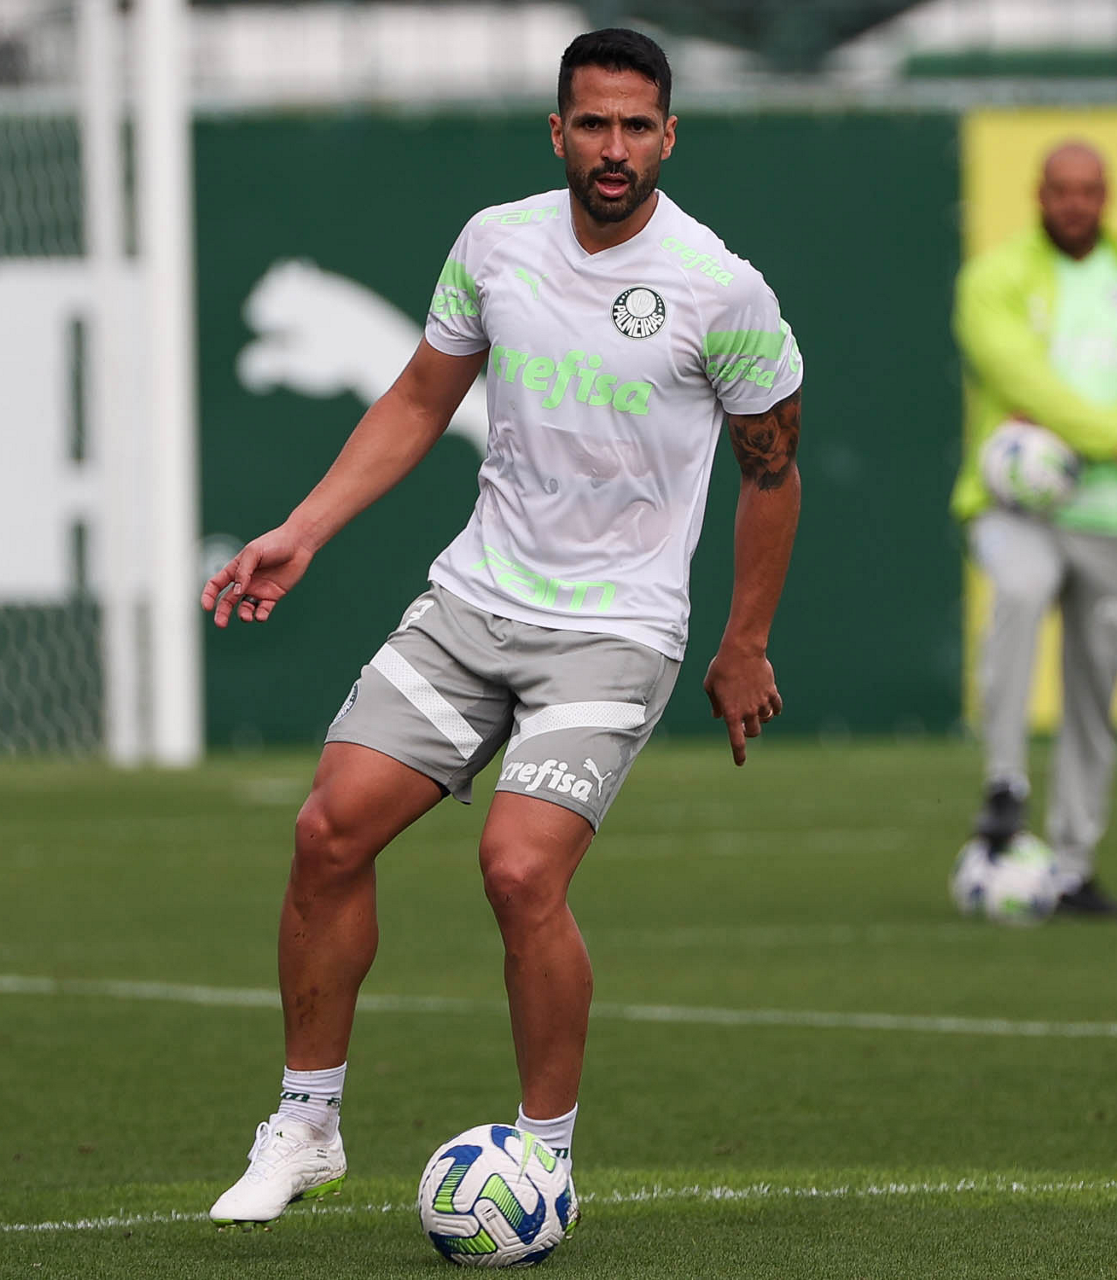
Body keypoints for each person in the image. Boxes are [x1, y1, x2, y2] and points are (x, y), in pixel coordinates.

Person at [200, 27, 804, 1225]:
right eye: (593, 124)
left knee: (519, 868)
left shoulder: (719, 288)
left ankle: (542, 1158)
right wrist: (304, 530)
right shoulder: (493, 242)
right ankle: (305, 1126)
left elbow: (771, 470)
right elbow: (419, 397)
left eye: (636, 126)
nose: (614, 147)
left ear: (669, 136)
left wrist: (744, 640)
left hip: (615, 629)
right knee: (328, 829)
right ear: (557, 131)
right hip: (473, 601)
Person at [951, 139, 1117, 917]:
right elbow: (1017, 372)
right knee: (1018, 592)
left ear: (1106, 196)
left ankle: (1075, 863)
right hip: (1019, 505)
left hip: (1114, 519)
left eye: (1089, 190)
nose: (1075, 203)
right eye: (1062, 189)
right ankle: (1005, 784)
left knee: (1095, 697)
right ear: (1039, 193)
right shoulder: (997, 278)